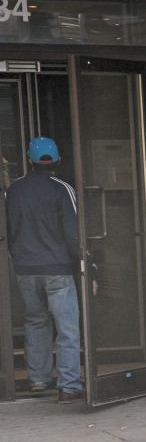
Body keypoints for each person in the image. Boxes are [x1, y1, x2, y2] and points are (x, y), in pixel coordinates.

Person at [4, 136, 83, 403]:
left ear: (30, 160)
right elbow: (73, 233)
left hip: (25, 267)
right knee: (67, 327)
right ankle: (69, 385)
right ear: (58, 160)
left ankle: (38, 379)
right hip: (57, 267)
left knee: (35, 321)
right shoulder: (63, 189)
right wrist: (82, 260)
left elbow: (9, 230)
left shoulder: (14, 190)